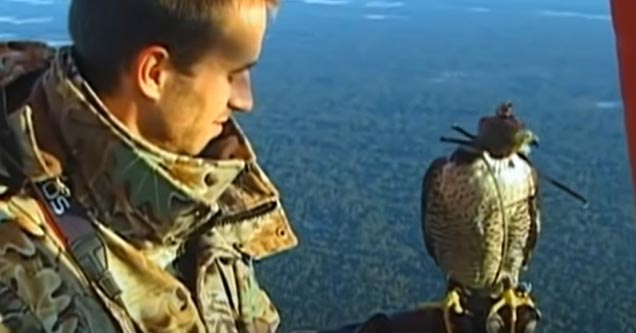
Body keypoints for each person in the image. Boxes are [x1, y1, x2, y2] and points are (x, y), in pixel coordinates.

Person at [0, 0, 299, 332]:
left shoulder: (195, 178)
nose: (245, 100)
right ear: (154, 73)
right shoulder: (14, 270)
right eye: (233, 74)